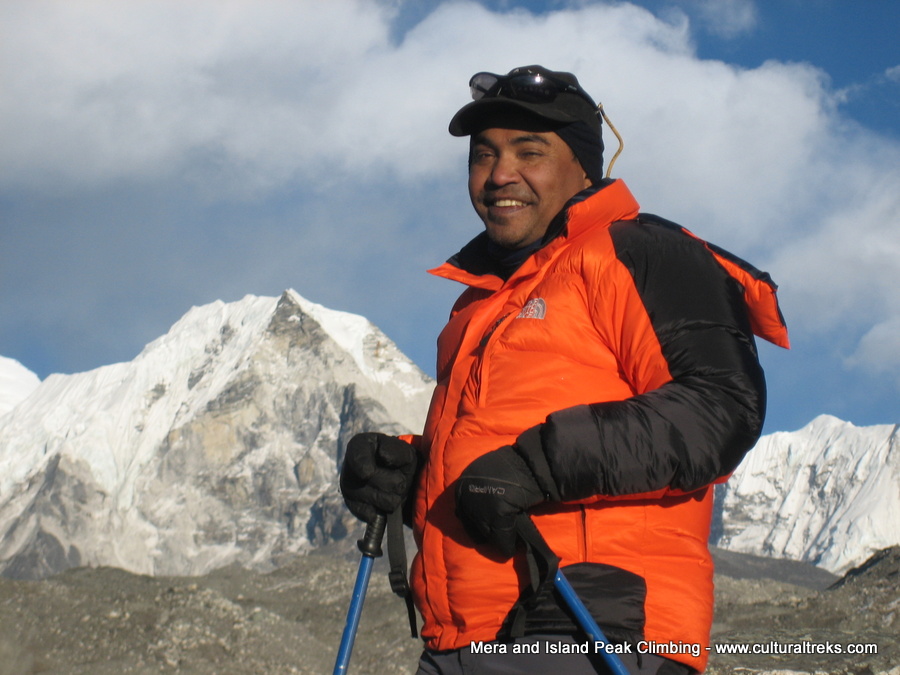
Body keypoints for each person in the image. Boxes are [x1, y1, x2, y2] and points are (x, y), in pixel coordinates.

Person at [340, 65, 789, 674]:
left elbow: (719, 407)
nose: (500, 175)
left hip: (592, 625)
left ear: (585, 169)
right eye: (483, 156)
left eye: (530, 152)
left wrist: (537, 465)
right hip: (465, 638)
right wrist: (414, 473)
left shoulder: (638, 251)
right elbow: (499, 457)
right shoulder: (483, 301)